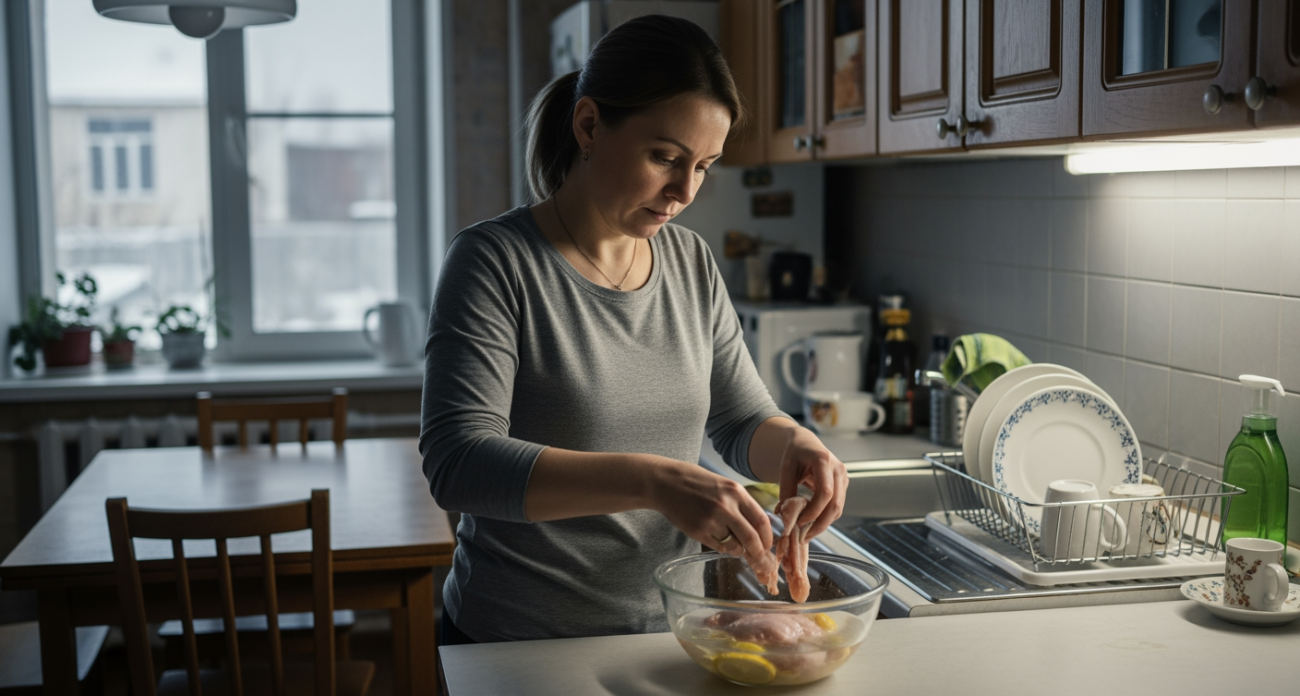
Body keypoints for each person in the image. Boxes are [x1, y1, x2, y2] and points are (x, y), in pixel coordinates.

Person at [419, 15, 847, 645]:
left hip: (667, 633)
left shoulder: (690, 261)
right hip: (518, 644)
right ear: (589, 125)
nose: (683, 191)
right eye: (665, 157)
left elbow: (738, 419)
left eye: (704, 166)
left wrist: (796, 447)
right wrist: (655, 482)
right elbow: (457, 463)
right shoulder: (494, 262)